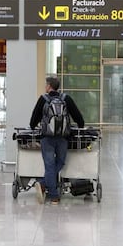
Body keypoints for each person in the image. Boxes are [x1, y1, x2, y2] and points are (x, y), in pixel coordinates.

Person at [30, 76, 85, 205]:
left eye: (46, 85)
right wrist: (80, 126)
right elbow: (78, 116)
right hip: (62, 138)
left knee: (49, 166)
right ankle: (44, 185)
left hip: (47, 138)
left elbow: (34, 119)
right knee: (60, 162)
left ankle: (50, 192)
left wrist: (33, 127)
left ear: (49, 86)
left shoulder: (43, 99)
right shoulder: (66, 99)